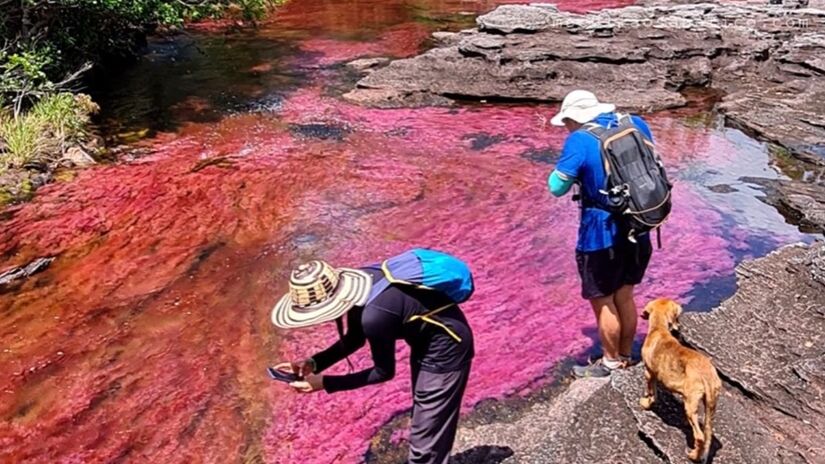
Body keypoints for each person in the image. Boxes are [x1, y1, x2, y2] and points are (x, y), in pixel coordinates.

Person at [271, 257, 474, 464]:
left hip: (448, 347)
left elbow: (383, 372)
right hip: (426, 339)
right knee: (426, 415)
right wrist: (313, 363)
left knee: (425, 438)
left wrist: (325, 382)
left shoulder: (375, 316)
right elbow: (355, 338)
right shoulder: (363, 284)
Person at [547, 90, 655, 378]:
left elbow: (556, 188)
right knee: (625, 295)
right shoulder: (635, 123)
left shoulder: (580, 140)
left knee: (603, 300)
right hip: (640, 226)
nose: (566, 128)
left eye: (566, 122)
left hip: (600, 236)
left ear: (574, 118)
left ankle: (609, 363)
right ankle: (625, 355)